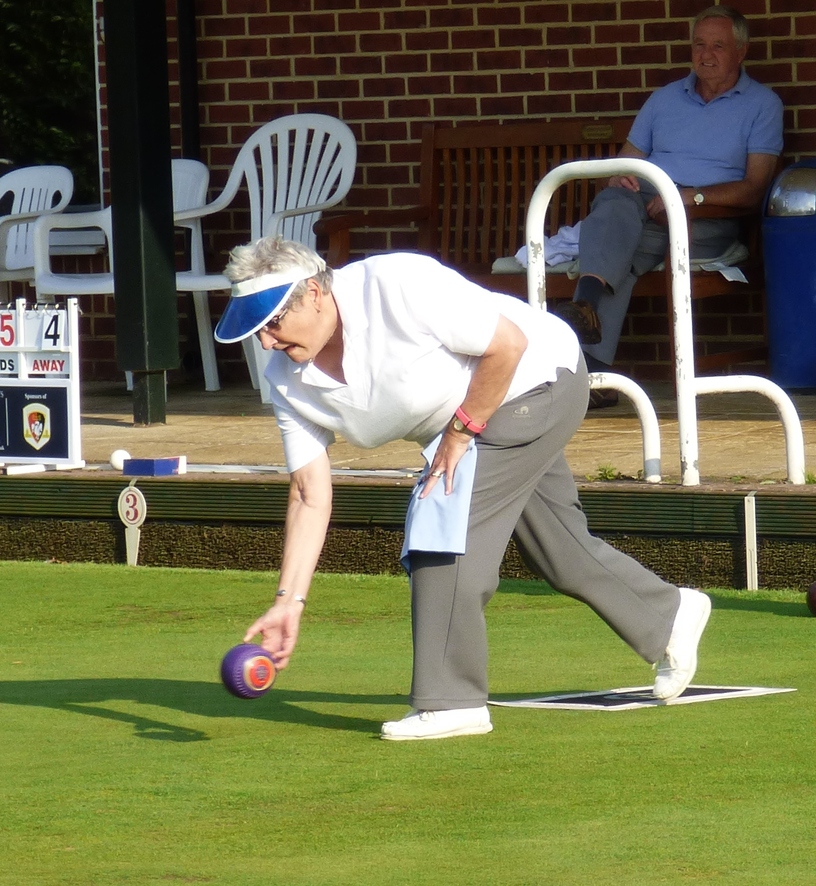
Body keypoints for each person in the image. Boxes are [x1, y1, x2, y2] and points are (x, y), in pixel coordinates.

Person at [213, 236, 712, 741]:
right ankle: (667, 614)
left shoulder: (398, 284)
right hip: (471, 420)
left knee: (440, 522)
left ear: (315, 294)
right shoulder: (285, 380)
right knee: (560, 552)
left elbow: (509, 345)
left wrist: (459, 433)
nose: (267, 343)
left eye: (273, 322)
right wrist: (287, 601)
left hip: (536, 381)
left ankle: (451, 701)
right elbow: (308, 493)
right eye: (258, 330)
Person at [555, 5, 783, 399]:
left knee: (615, 251)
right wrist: (620, 176)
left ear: (741, 52)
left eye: (718, 46)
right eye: (698, 44)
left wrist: (690, 197)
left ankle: (586, 363)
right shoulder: (663, 100)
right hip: (644, 206)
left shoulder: (762, 105)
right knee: (614, 199)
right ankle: (591, 356)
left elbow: (754, 187)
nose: (705, 54)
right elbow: (625, 161)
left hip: (706, 215)